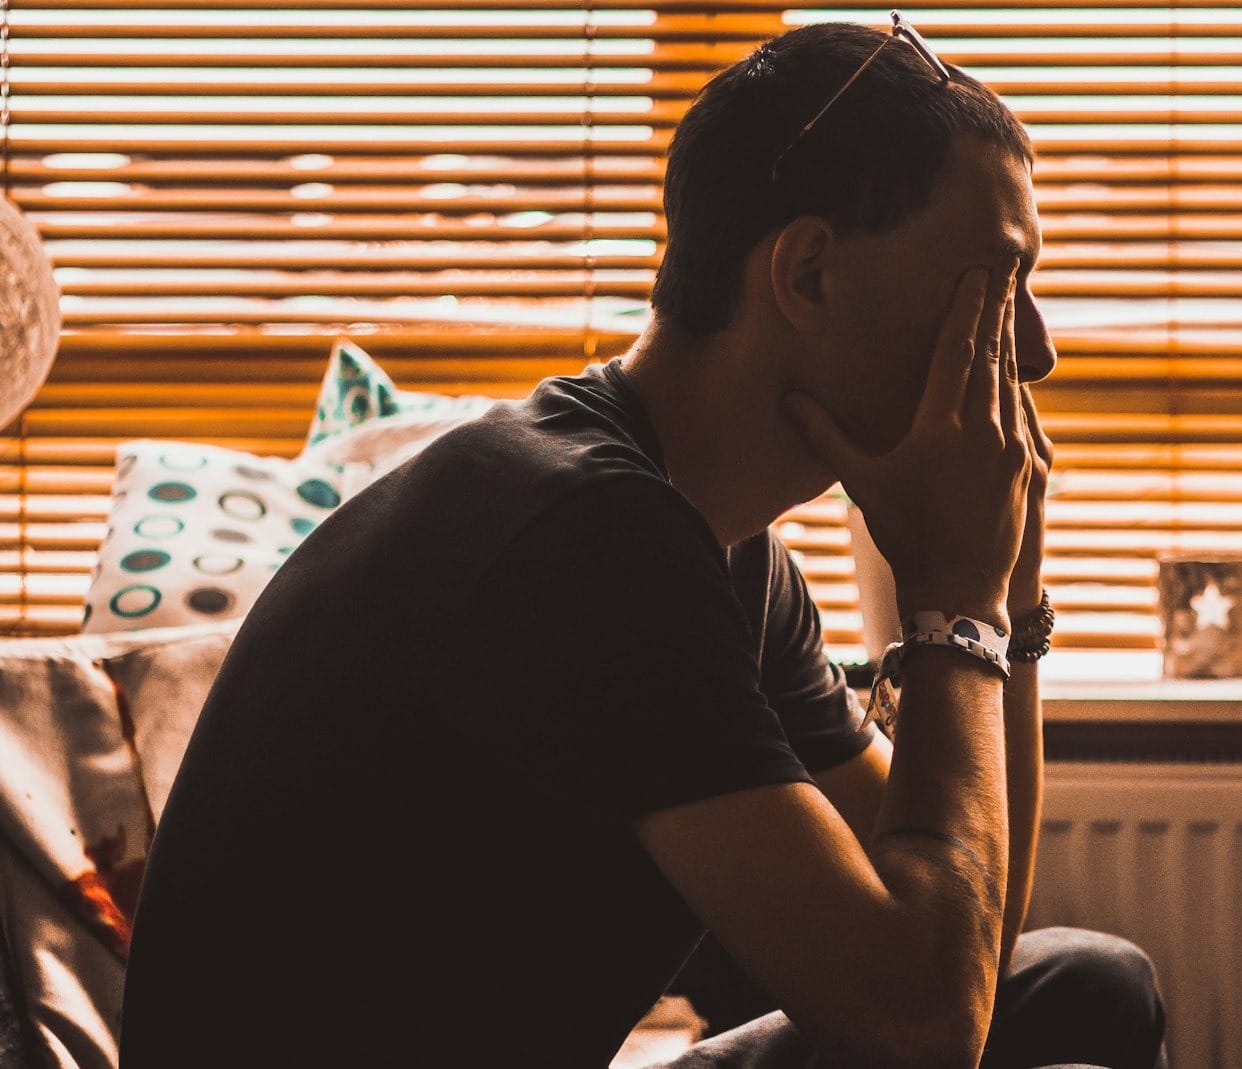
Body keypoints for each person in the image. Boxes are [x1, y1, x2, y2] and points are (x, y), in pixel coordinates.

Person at [120, 17, 1167, 1069]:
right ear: (805, 273)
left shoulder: (719, 544)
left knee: (1087, 985)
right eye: (993, 281)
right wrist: (953, 605)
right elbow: (922, 1024)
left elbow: (961, 942)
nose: (1034, 350)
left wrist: (1006, 615)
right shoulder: (584, 536)